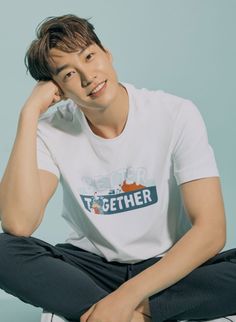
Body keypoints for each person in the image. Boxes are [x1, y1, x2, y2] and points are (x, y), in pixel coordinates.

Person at [0, 14, 235, 322]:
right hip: (90, 269)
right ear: (57, 88)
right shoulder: (51, 129)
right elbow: (18, 225)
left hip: (166, 268)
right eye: (69, 74)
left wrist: (128, 297)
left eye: (89, 56)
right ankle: (145, 314)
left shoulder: (175, 113)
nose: (88, 77)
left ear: (106, 53)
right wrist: (29, 113)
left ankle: (120, 312)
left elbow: (211, 231)